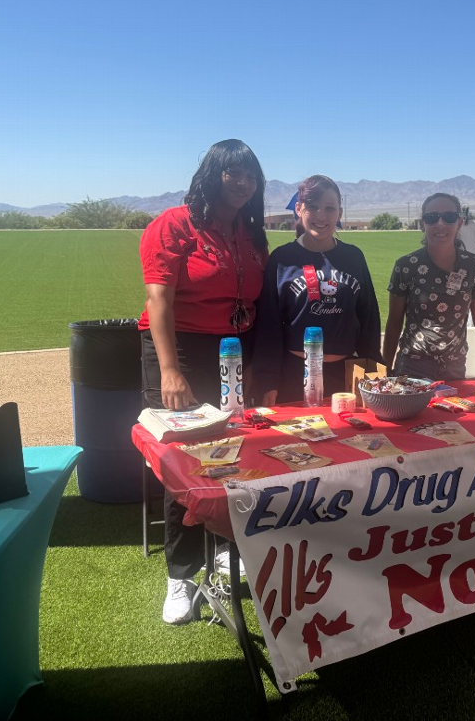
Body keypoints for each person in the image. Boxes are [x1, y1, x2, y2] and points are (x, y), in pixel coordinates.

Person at [138, 139, 268, 624]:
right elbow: (160, 303)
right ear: (211, 175)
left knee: (232, 452)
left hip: (234, 350)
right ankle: (180, 575)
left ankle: (220, 547)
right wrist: (170, 370)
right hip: (182, 351)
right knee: (185, 463)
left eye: (251, 176)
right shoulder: (173, 224)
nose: (243, 183)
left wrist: (252, 365)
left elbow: (254, 306)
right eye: (233, 173)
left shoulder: (251, 234)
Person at [254, 175, 381, 405]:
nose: (321, 216)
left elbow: (369, 319)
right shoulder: (282, 259)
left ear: (339, 214)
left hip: (345, 377)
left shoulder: (353, 257)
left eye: (329, 208)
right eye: (313, 206)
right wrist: (267, 380)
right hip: (293, 376)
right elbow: (268, 325)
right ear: (299, 209)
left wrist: (374, 373)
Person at [383, 192, 475, 379]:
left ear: (459, 222)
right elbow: (394, 321)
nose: (440, 224)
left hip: (454, 367)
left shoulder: (474, 266)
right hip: (412, 367)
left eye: (449, 217)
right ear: (422, 224)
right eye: (431, 218)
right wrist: (386, 368)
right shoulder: (407, 266)